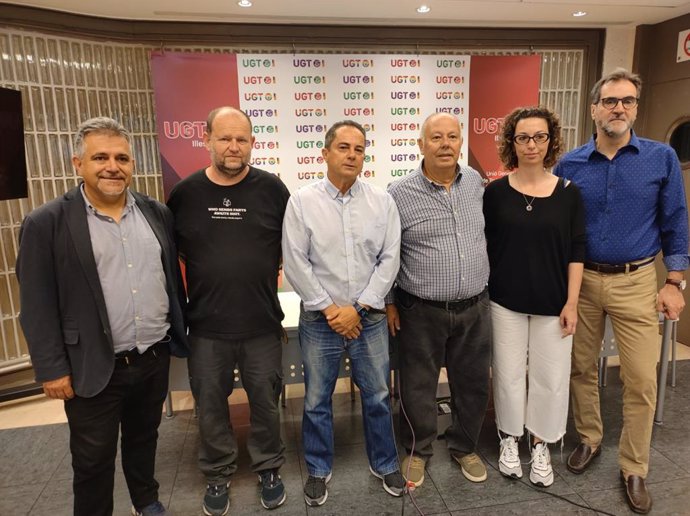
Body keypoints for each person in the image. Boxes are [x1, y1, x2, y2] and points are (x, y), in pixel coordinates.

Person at [16, 117, 189, 516]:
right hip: (91, 365)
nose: (112, 166)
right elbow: (37, 304)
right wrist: (51, 369)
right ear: (78, 163)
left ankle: (145, 501)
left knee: (144, 439)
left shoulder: (156, 213)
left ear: (132, 164)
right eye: (100, 157)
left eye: (121, 157)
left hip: (151, 355)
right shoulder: (47, 223)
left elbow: (168, 279)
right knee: (92, 459)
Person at [555, 68, 688, 514]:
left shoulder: (660, 158)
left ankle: (634, 465)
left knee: (641, 378)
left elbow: (676, 222)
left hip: (637, 281)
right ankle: (589, 439)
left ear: (635, 107)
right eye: (611, 101)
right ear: (594, 109)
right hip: (583, 282)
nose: (619, 108)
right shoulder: (569, 165)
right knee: (581, 368)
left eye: (628, 101)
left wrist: (674, 280)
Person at [167, 107, 290, 515]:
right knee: (211, 405)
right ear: (207, 140)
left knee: (265, 402)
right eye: (224, 138)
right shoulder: (185, 194)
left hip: (260, 323)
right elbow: (173, 254)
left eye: (242, 139)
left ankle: (268, 467)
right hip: (206, 326)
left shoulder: (273, 190)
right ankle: (217, 473)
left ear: (252, 143)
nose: (233, 147)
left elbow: (292, 248)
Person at [282, 120, 404, 507]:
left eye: (359, 149)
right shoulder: (302, 201)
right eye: (343, 148)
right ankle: (318, 469)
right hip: (321, 320)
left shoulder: (381, 201)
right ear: (325, 153)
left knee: (379, 395)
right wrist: (333, 310)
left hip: (367, 319)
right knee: (317, 398)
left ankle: (384, 463)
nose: (352, 155)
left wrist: (361, 307)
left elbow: (390, 259)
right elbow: (295, 261)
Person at [386, 112, 492, 487]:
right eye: (436, 137)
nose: (445, 144)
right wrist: (388, 301)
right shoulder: (398, 192)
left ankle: (464, 446)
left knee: (474, 384)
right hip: (421, 310)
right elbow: (387, 252)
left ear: (461, 142)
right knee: (417, 386)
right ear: (420, 145)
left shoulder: (476, 183)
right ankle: (418, 451)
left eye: (452, 137)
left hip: (475, 307)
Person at [484, 106, 585, 487]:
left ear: (551, 141)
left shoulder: (569, 194)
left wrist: (572, 302)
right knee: (508, 376)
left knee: (550, 378)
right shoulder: (493, 193)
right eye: (523, 137)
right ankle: (509, 438)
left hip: (554, 304)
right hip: (504, 302)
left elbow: (578, 250)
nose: (531, 144)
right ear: (512, 143)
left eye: (539, 137)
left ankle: (541, 443)